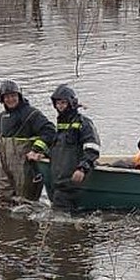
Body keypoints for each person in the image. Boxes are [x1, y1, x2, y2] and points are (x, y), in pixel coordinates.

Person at [0, 79, 58, 203]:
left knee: (26, 205)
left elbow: (50, 131)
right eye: (7, 97)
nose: (10, 99)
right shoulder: (1, 118)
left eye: (13, 96)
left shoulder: (32, 114)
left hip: (27, 169)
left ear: (19, 96)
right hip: (5, 169)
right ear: (2, 99)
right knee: (3, 202)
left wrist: (36, 150)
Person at [40, 83, 100, 211]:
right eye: (58, 103)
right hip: (59, 182)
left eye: (63, 103)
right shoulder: (61, 125)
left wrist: (82, 168)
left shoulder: (83, 123)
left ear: (71, 103)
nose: (60, 106)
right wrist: (44, 154)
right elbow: (59, 151)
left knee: (61, 222)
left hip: (71, 182)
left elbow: (92, 148)